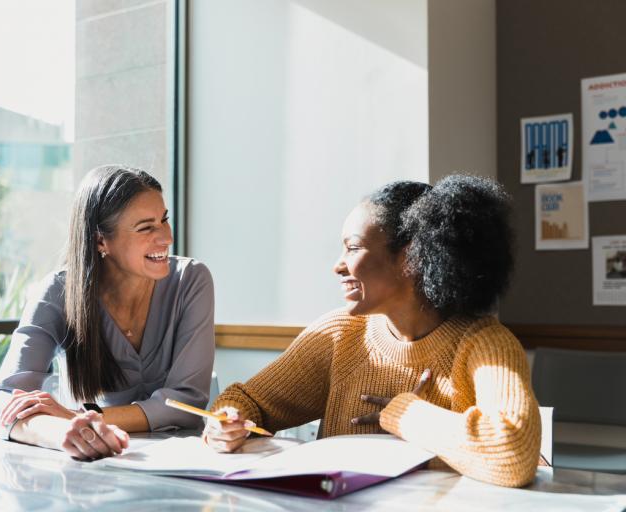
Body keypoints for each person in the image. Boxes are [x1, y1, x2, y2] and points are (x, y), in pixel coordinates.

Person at [203, 175, 541, 488]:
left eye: (352, 248)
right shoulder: (340, 334)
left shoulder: (485, 343)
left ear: (410, 258)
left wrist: (405, 413)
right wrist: (227, 423)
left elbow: (513, 453)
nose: (337, 265)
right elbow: (248, 401)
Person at [0, 165, 215, 461]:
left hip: (184, 465)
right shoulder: (58, 292)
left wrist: (81, 417)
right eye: (146, 227)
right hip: (94, 465)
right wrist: (65, 434)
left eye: (164, 220)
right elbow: (4, 401)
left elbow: (185, 404)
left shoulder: (191, 280)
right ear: (100, 241)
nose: (166, 237)